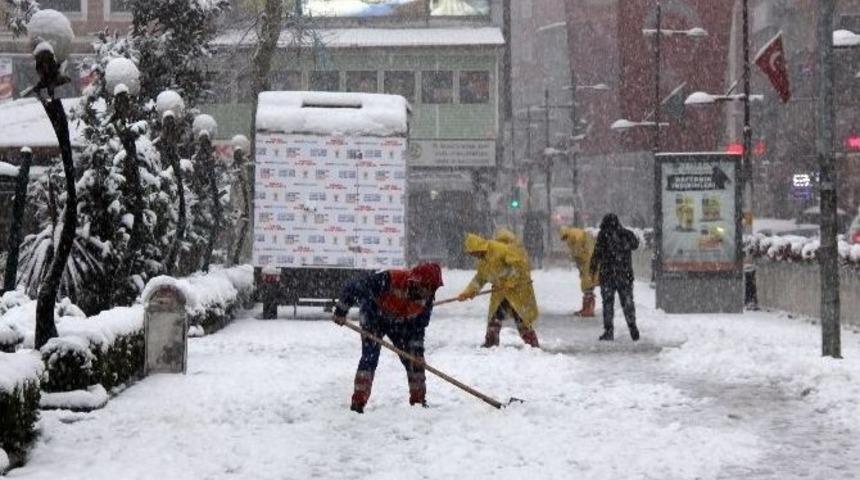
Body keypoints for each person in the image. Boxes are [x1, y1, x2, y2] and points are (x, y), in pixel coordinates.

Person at [333, 262, 444, 413]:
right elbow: (354, 287)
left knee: (414, 361)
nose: (429, 293)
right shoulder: (390, 279)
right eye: (427, 287)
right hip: (374, 316)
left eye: (433, 289)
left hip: (401, 323)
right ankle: (358, 404)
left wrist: (417, 353)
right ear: (417, 281)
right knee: (369, 358)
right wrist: (341, 310)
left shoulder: (427, 299)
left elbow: (418, 328)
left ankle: (419, 403)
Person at [457, 233, 539, 348]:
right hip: (500, 292)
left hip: (517, 290)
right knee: (494, 317)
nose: (474, 256)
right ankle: (491, 343)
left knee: (521, 318)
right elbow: (479, 279)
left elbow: (518, 265)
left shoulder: (499, 249)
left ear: (479, 247)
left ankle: (533, 345)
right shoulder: (483, 262)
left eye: (474, 253)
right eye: (472, 254)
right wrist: (468, 292)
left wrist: (512, 280)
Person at [589, 214, 640, 341]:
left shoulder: (603, 235)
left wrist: (593, 269)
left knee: (608, 303)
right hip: (625, 275)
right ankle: (632, 326)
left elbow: (597, 253)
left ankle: (609, 330)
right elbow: (635, 244)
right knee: (628, 302)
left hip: (607, 276)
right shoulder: (626, 234)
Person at [560, 227, 599, 317]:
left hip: (587, 261)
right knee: (587, 282)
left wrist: (576, 257)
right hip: (587, 260)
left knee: (587, 283)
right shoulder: (576, 234)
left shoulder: (574, 236)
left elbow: (577, 251)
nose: (565, 241)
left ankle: (588, 309)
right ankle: (587, 308)